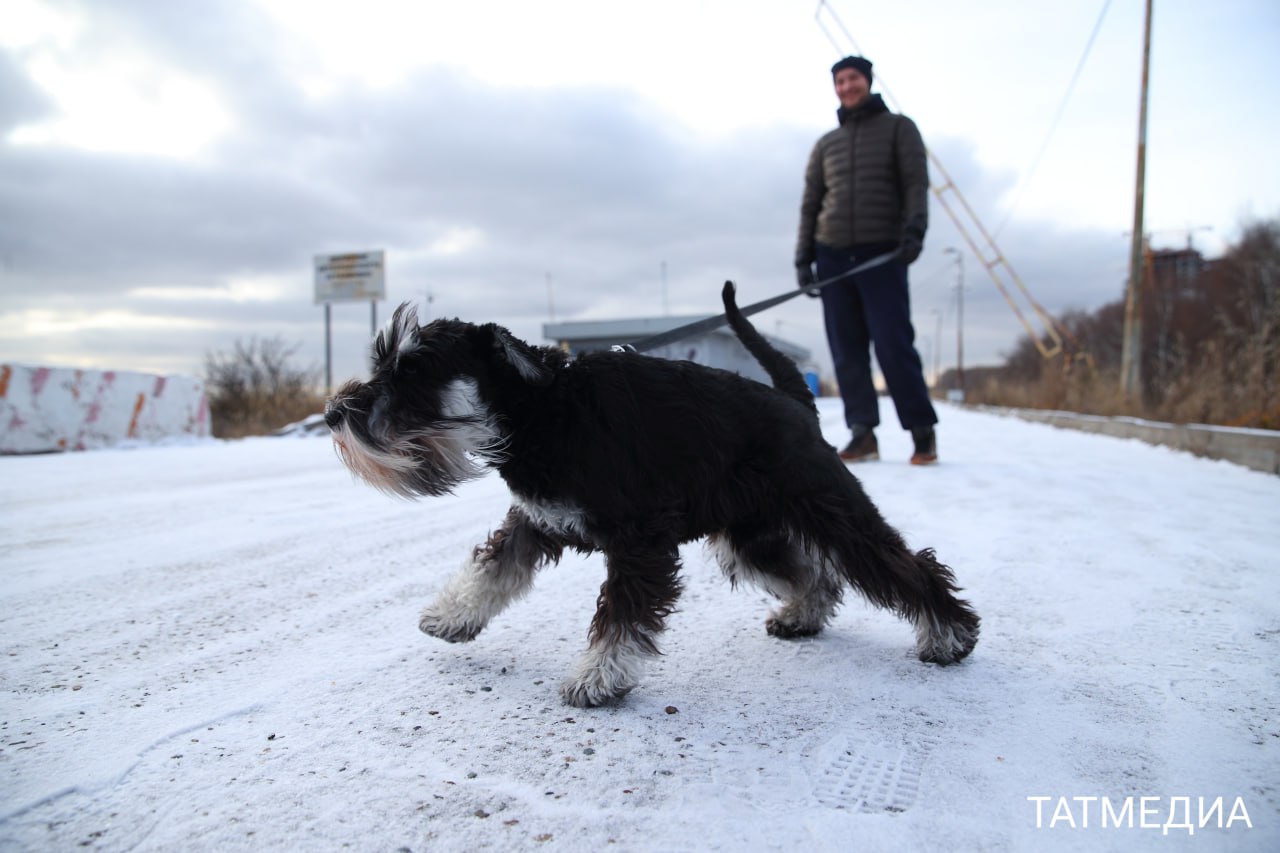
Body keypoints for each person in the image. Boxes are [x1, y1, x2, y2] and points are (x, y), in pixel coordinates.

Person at [795, 55, 939, 465]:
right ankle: (863, 433)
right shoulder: (826, 144)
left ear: (868, 81)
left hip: (882, 252)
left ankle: (921, 432)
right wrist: (804, 257)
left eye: (852, 78)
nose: (846, 87)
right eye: (839, 81)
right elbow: (811, 203)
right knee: (846, 349)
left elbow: (916, 183)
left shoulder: (899, 128)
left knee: (894, 345)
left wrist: (914, 231)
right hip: (833, 254)